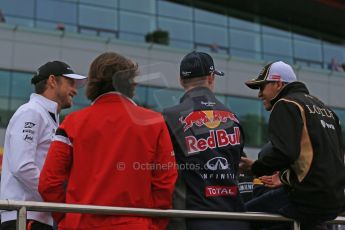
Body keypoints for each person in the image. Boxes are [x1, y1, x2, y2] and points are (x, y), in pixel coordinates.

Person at [38, 52, 178, 230]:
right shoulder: (155, 122)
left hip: (80, 224)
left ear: (93, 83)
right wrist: (152, 224)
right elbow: (165, 183)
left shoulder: (73, 122)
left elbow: (49, 183)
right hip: (135, 225)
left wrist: (68, 217)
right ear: (130, 84)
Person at [241, 61, 345, 229]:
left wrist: (255, 168)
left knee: (239, 218)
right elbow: (327, 160)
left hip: (307, 200)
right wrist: (284, 178)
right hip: (334, 201)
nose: (259, 94)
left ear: (278, 84)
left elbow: (284, 153)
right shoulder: (326, 110)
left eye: (262, 87)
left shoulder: (286, 104)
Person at [163, 51, 250, 230]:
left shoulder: (169, 116)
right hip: (236, 219)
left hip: (192, 219)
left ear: (181, 80)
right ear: (211, 77)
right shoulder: (233, 117)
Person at [0, 61, 86, 230]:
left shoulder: (45, 116)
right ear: (52, 81)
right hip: (23, 216)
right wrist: (57, 197)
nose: (75, 90)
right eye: (70, 83)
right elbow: (22, 166)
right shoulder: (31, 112)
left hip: (35, 215)